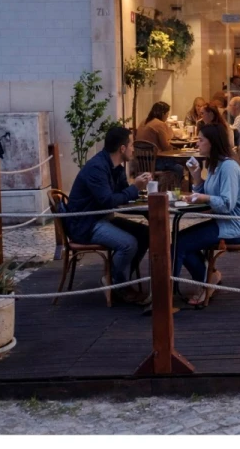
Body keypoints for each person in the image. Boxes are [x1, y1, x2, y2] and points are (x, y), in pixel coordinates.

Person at [66, 127, 151, 304]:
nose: (133, 149)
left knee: (145, 233)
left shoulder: (115, 167)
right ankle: (117, 283)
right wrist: (134, 188)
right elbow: (108, 201)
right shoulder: (97, 168)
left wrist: (137, 189)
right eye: (131, 145)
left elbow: (120, 195)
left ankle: (121, 278)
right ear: (122, 148)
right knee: (128, 244)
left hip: (102, 218)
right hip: (87, 223)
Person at [173, 124, 240, 308]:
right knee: (179, 240)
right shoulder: (214, 165)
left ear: (213, 143)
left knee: (180, 243)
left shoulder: (228, 167)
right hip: (223, 221)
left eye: (201, 140)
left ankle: (198, 284)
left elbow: (226, 204)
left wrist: (203, 197)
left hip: (236, 226)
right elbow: (208, 192)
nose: (197, 143)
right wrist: (196, 177)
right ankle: (208, 278)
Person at [134, 101, 185, 182]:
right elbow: (166, 147)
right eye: (167, 114)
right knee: (180, 167)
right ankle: (174, 190)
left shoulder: (143, 122)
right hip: (156, 163)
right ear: (163, 114)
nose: (167, 117)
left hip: (141, 163)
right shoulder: (159, 124)